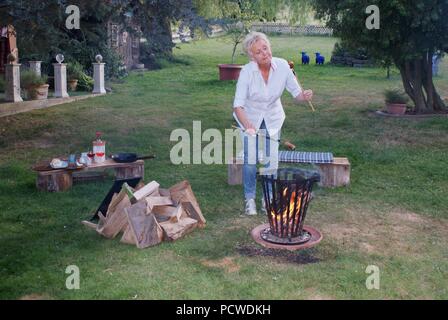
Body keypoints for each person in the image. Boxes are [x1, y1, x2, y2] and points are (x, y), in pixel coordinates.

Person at [232, 32, 314, 215]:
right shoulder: (247, 72)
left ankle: (267, 200)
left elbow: (296, 93)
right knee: (251, 160)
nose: (264, 53)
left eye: (265, 48)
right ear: (252, 56)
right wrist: (248, 126)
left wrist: (304, 95)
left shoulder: (284, 66)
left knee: (271, 162)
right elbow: (238, 105)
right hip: (249, 118)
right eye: (258, 51)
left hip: (273, 118)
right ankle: (250, 199)